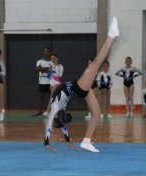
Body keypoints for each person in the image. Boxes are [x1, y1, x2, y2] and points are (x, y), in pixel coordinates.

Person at [44, 16, 119, 153]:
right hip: (78, 87)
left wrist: (58, 141)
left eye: (63, 119)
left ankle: (86, 142)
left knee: (96, 114)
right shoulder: (59, 109)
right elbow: (56, 124)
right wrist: (49, 142)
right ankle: (111, 35)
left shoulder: (55, 108)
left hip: (78, 87)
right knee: (97, 62)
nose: (64, 119)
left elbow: (50, 123)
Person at [33, 47, 53, 116]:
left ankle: (51, 112)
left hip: (51, 83)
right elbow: (38, 69)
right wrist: (46, 68)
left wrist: (42, 68)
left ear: (50, 53)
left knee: (51, 98)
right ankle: (39, 111)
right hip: (42, 82)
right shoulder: (39, 61)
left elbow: (49, 70)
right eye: (45, 51)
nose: (46, 53)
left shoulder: (52, 62)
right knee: (41, 98)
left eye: (47, 51)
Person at [43, 53, 64, 117]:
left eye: (54, 58)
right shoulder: (51, 66)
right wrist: (50, 71)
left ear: (57, 59)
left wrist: (54, 69)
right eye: (52, 58)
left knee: (52, 97)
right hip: (51, 83)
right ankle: (57, 112)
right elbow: (50, 76)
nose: (53, 60)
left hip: (57, 83)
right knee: (55, 98)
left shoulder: (60, 66)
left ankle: (47, 112)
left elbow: (60, 76)